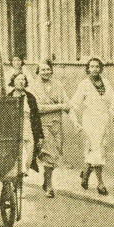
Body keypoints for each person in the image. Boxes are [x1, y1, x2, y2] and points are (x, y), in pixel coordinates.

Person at [70, 58, 114, 195]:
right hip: (90, 120)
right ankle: (100, 183)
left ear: (101, 68)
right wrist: (75, 121)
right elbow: (74, 104)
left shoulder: (106, 83)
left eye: (97, 67)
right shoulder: (84, 84)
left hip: (103, 121)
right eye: (91, 67)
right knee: (96, 149)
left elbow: (113, 101)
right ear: (88, 69)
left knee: (100, 149)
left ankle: (86, 172)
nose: (94, 69)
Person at [35, 62, 71, 196]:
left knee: (55, 154)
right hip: (42, 125)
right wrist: (59, 106)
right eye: (43, 69)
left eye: (48, 69)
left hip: (57, 124)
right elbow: (39, 108)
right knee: (48, 154)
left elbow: (67, 104)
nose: (46, 72)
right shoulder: (34, 86)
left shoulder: (58, 85)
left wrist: (64, 107)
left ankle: (46, 179)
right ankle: (49, 187)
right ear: (38, 71)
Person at [8, 72, 44, 182]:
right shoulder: (8, 97)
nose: (21, 81)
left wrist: (40, 135)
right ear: (13, 82)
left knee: (28, 158)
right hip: (14, 130)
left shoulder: (30, 97)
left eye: (23, 79)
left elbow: (36, 117)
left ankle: (21, 182)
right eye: (18, 79)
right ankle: (17, 185)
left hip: (28, 128)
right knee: (18, 159)